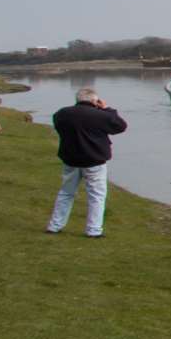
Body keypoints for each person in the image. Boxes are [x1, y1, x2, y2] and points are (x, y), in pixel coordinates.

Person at [47, 87, 127, 238]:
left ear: (77, 99)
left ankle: (55, 226)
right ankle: (93, 230)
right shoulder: (100, 116)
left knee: (66, 193)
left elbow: (58, 125)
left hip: (70, 159)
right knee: (96, 196)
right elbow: (120, 126)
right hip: (94, 160)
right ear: (94, 101)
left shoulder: (62, 113)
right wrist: (107, 109)